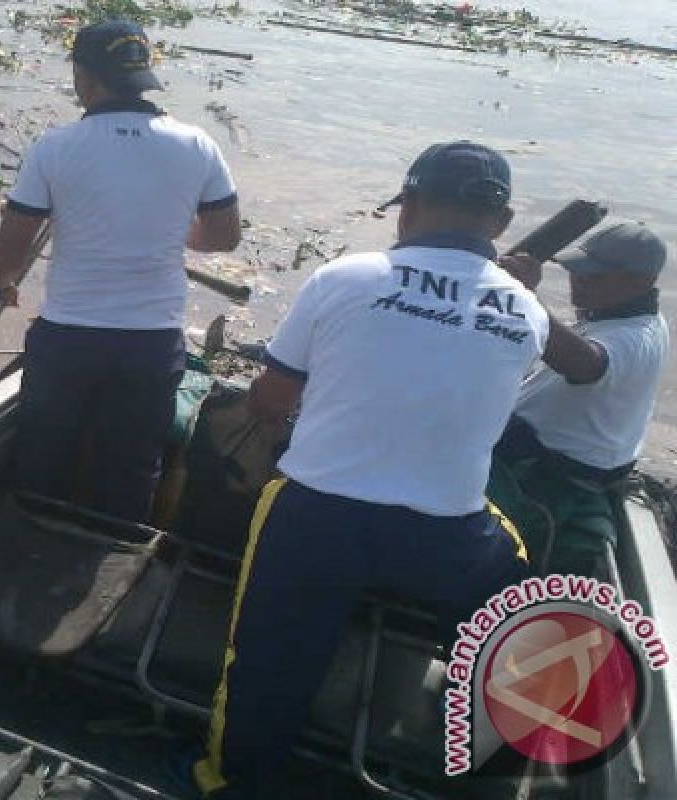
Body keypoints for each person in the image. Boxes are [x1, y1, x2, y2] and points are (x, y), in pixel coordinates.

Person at [194, 141, 545, 797]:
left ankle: (231, 782)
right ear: (499, 224)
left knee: (264, 660)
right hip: (446, 540)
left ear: (407, 208)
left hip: (320, 519)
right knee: (513, 605)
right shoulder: (528, 311)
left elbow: (272, 402)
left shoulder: (344, 277)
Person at [0, 19, 240, 523]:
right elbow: (224, 236)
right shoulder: (198, 145)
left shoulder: (57, 147)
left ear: (85, 75)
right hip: (151, 344)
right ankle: (107, 556)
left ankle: (28, 545)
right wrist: (173, 232)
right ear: (143, 74)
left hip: (68, 339)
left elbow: (13, 244)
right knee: (131, 467)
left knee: (42, 459)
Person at [493, 223, 669, 575]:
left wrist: (526, 297)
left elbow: (585, 365)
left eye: (594, 275)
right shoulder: (614, 317)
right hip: (539, 448)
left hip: (552, 471)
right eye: (576, 271)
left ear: (640, 280)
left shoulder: (636, 336)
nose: (579, 281)